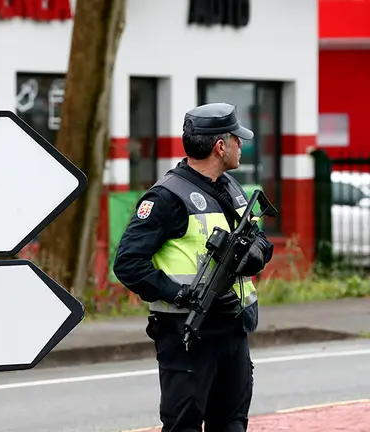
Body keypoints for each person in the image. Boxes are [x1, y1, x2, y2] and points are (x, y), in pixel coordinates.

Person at [112, 102, 275, 432]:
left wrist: (256, 253)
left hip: (233, 329)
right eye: (236, 140)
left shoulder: (230, 187)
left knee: (231, 424)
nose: (241, 146)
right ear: (220, 146)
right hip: (188, 334)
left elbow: (259, 238)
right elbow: (128, 263)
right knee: (183, 426)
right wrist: (184, 295)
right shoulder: (165, 198)